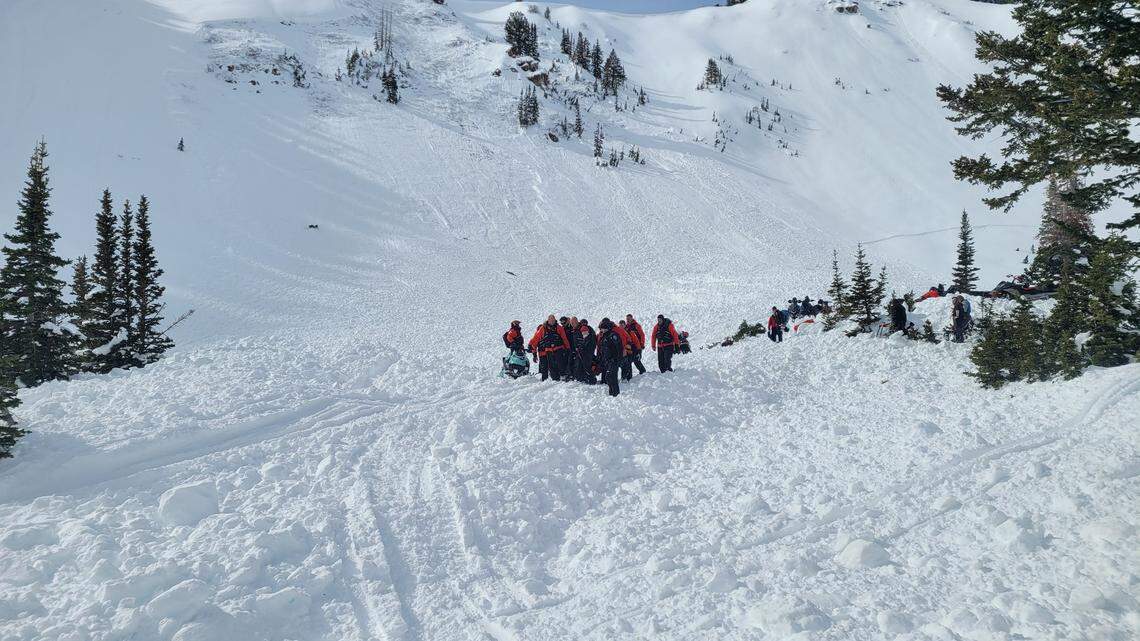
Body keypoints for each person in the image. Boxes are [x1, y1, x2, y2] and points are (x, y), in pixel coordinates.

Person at [528, 315, 570, 381]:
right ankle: (555, 379)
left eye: (553, 320)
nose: (552, 322)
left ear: (555, 320)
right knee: (552, 366)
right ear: (548, 320)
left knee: (561, 363)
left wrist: (567, 348)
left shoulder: (559, 328)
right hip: (549, 350)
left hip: (558, 348)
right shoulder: (543, 328)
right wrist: (531, 345)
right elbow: (536, 338)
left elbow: (564, 338)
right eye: (551, 320)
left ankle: (563, 376)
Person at [597, 318, 623, 396]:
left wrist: (617, 359)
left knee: (612, 377)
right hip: (607, 360)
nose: (602, 330)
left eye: (604, 328)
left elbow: (619, 348)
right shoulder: (604, 336)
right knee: (608, 377)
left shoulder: (613, 335)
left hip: (613, 360)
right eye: (602, 329)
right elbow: (602, 348)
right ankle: (611, 393)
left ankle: (615, 394)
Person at [575, 320, 597, 384]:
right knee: (587, 365)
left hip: (586, 351)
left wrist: (581, 347)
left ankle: (591, 380)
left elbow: (586, 339)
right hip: (590, 350)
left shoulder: (584, 328)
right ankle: (588, 379)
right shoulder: (590, 328)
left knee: (586, 366)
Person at [559, 316, 576, 382]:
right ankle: (568, 374)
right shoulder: (562, 328)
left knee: (571, 361)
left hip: (573, 347)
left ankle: (571, 375)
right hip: (566, 348)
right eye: (562, 323)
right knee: (566, 361)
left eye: (564, 322)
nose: (563, 324)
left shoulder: (571, 327)